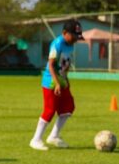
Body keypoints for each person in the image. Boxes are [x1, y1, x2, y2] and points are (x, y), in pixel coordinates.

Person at [30, 19, 83, 151]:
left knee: (68, 107)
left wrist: (66, 79)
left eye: (77, 36)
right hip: (51, 82)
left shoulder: (70, 44)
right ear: (65, 32)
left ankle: (54, 136)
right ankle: (36, 139)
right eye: (74, 35)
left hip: (62, 80)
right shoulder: (57, 44)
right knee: (49, 110)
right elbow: (51, 65)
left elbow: (66, 62)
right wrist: (58, 83)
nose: (76, 39)